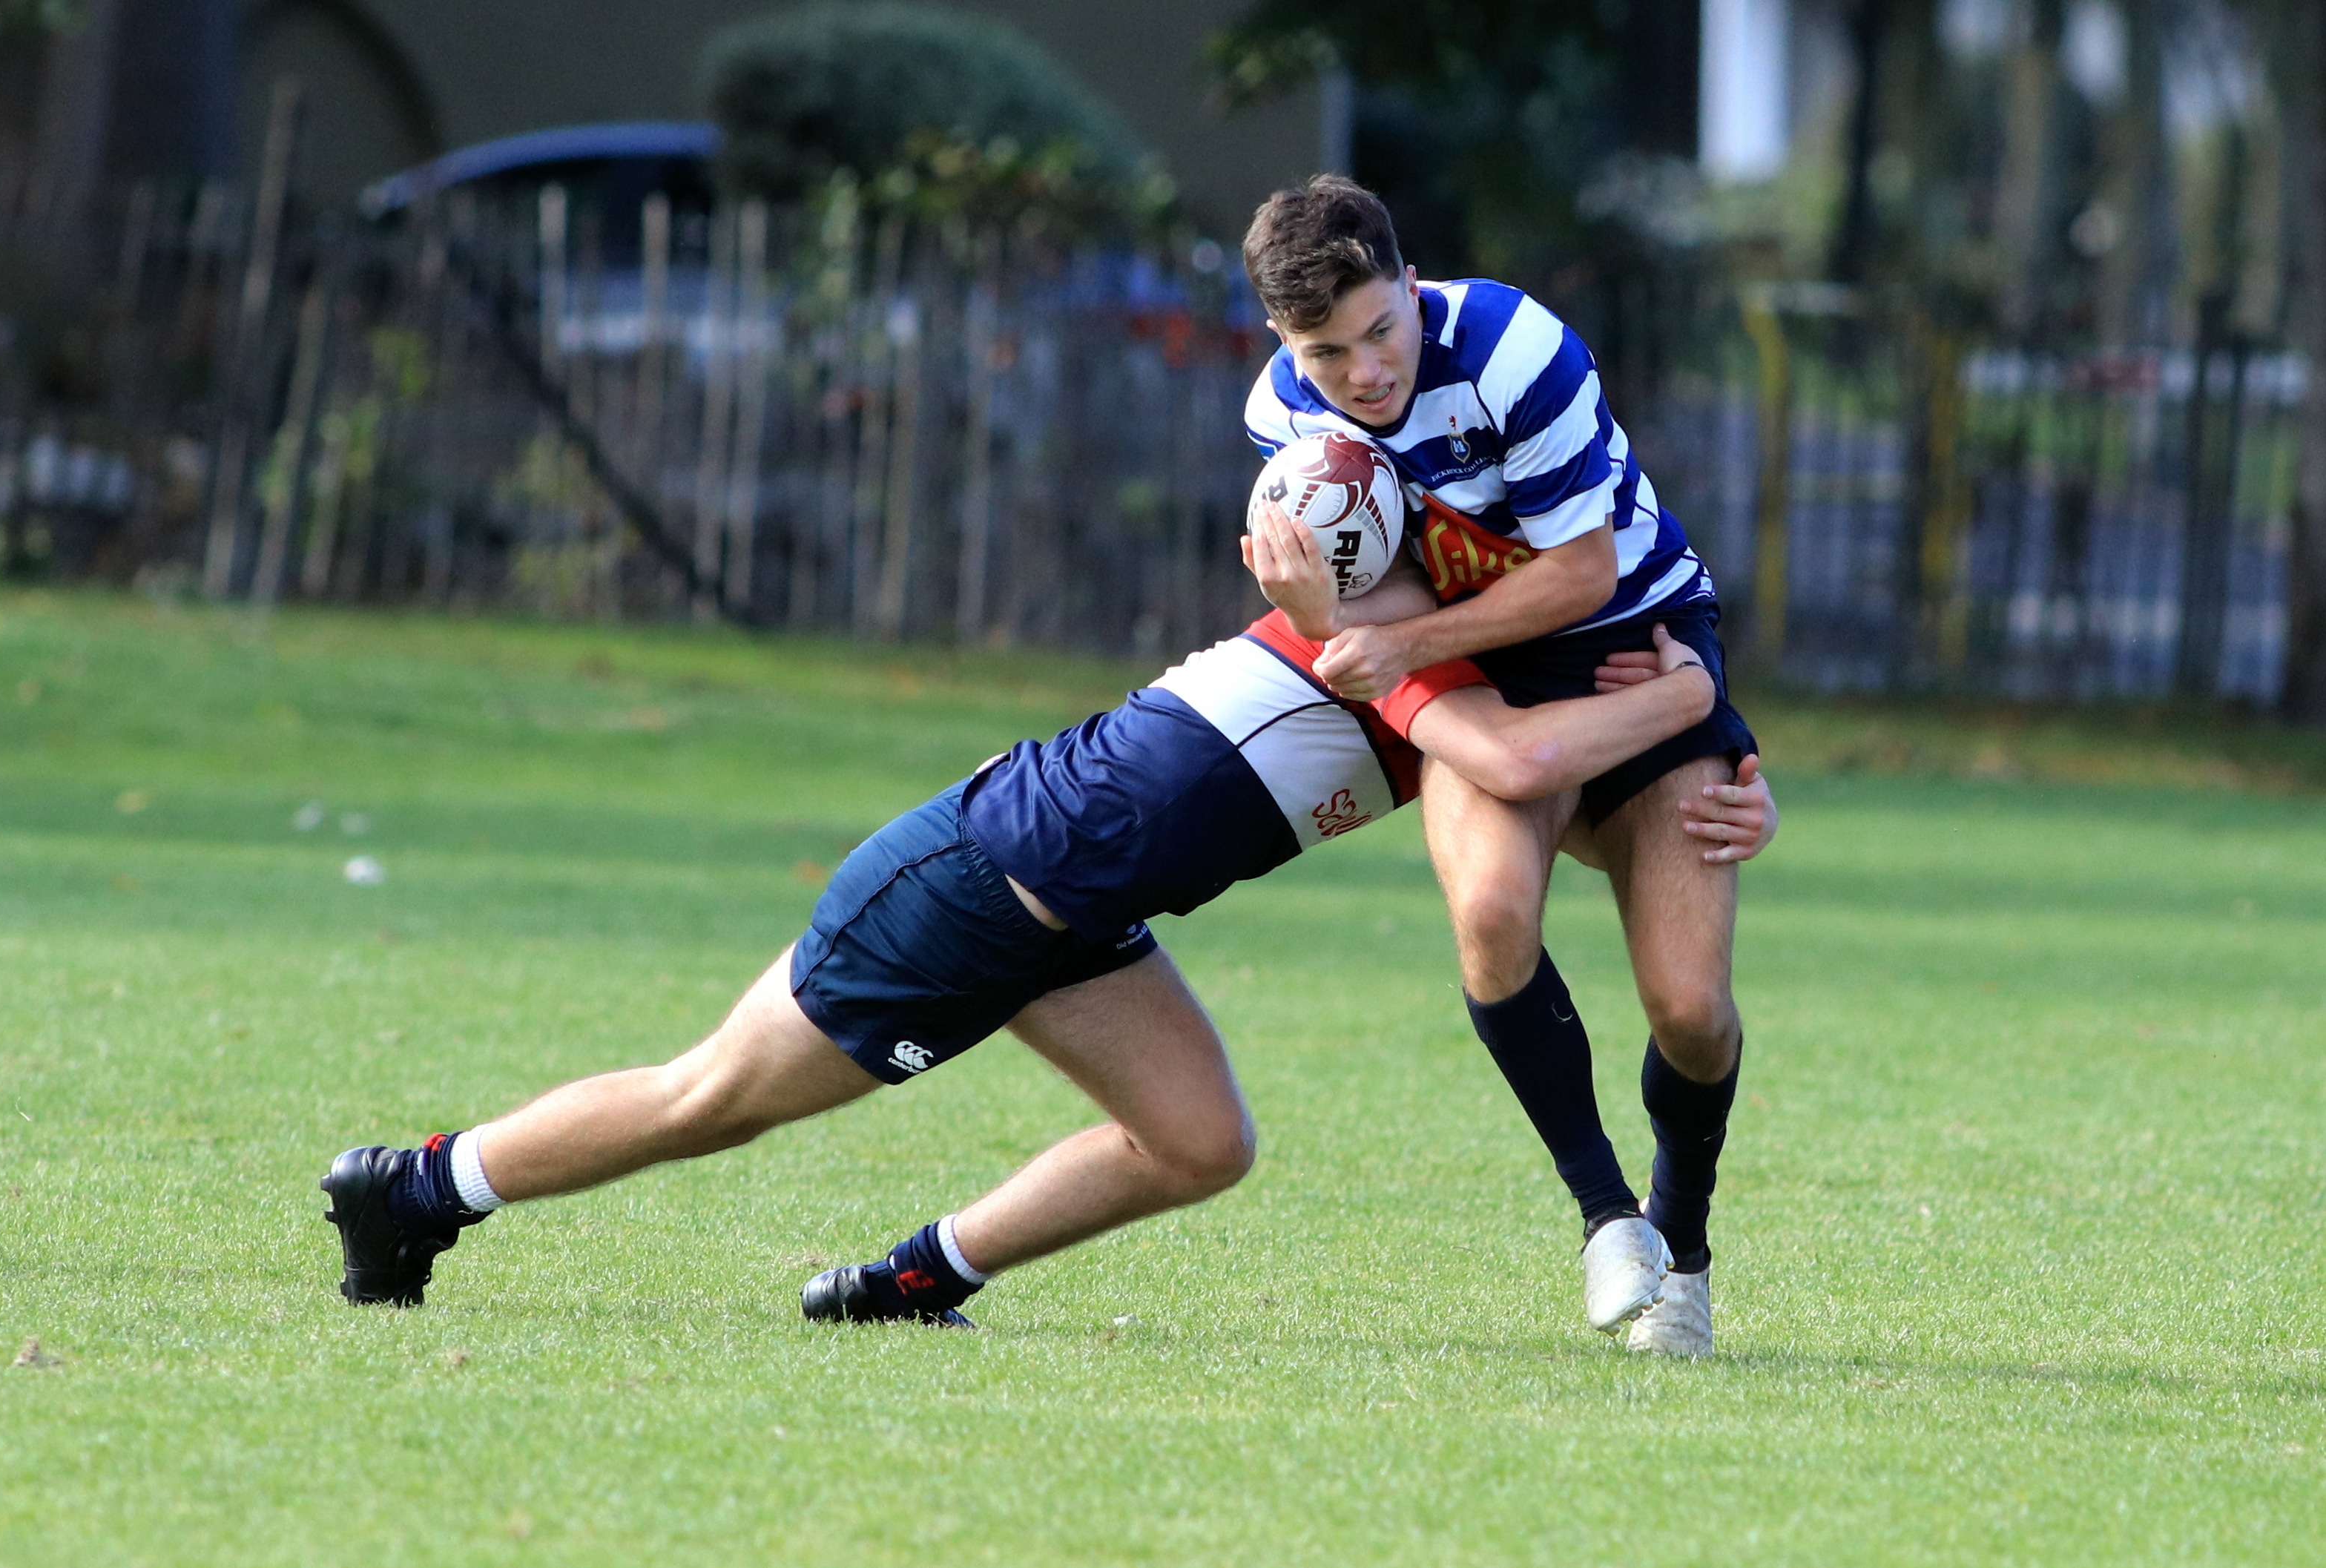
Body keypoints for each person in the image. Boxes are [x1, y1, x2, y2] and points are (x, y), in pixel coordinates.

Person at [320, 607, 1767, 1326]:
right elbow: (1516, 767)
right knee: (713, 1097)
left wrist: (1689, 798)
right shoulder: (1389, 638)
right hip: (975, 883)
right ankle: (419, 1188)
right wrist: (1691, 701)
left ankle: (907, 1284)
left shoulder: (1460, 659)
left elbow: (1530, 805)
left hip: (1077, 916)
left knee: (1198, 1140)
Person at [1240, 175, 1775, 1355]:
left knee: (1690, 1006)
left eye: (1383, 328)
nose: (1367, 371)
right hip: (1492, 682)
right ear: (1284, 341)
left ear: (1410, 278)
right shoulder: (1284, 421)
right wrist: (1315, 608)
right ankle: (1608, 1224)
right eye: (1327, 351)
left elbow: (1582, 573)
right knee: (1489, 911)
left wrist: (1404, 644)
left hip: (1636, 648)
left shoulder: (1511, 346)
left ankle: (1682, 1249)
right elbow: (1359, 619)